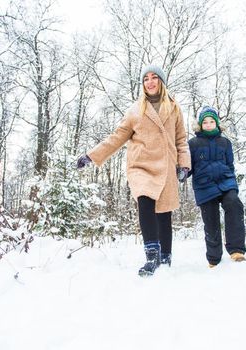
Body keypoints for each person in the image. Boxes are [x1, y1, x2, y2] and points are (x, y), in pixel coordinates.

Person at [76, 64, 191, 276]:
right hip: (141, 166)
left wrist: (184, 165)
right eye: (146, 78)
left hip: (165, 166)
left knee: (164, 212)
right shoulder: (135, 110)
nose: (150, 82)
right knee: (145, 201)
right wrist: (91, 156)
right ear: (142, 84)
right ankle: (152, 255)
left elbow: (181, 140)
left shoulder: (174, 108)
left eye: (154, 77)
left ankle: (166, 256)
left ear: (161, 82)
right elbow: (117, 137)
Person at [187, 106, 246, 267]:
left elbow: (230, 164)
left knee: (234, 204)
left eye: (212, 121)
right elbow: (188, 166)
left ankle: (237, 250)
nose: (208, 124)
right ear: (200, 125)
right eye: (205, 122)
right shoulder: (193, 143)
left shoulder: (225, 142)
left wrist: (232, 181)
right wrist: (182, 172)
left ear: (217, 123)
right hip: (204, 186)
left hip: (225, 182)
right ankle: (214, 259)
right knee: (210, 219)